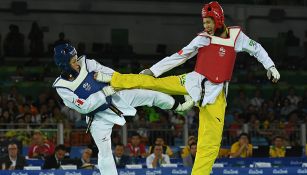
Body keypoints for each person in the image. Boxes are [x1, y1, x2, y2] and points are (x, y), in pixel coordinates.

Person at [97, 1, 280, 174]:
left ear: (218, 20)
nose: (206, 26)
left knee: (210, 145)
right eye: (204, 22)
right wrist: (153, 70)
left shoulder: (236, 36)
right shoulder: (202, 38)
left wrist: (270, 66)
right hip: (192, 82)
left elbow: (257, 48)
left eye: (208, 22)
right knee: (152, 82)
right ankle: (111, 80)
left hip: (215, 96)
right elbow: (179, 56)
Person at [52, 43, 193, 175]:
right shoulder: (63, 87)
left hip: (116, 96)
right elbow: (84, 106)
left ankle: (179, 106)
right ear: (64, 65)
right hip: (97, 117)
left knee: (150, 95)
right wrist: (106, 91)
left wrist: (114, 80)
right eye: (73, 62)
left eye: (76, 59)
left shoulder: (88, 63)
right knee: (105, 152)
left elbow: (113, 75)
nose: (77, 63)